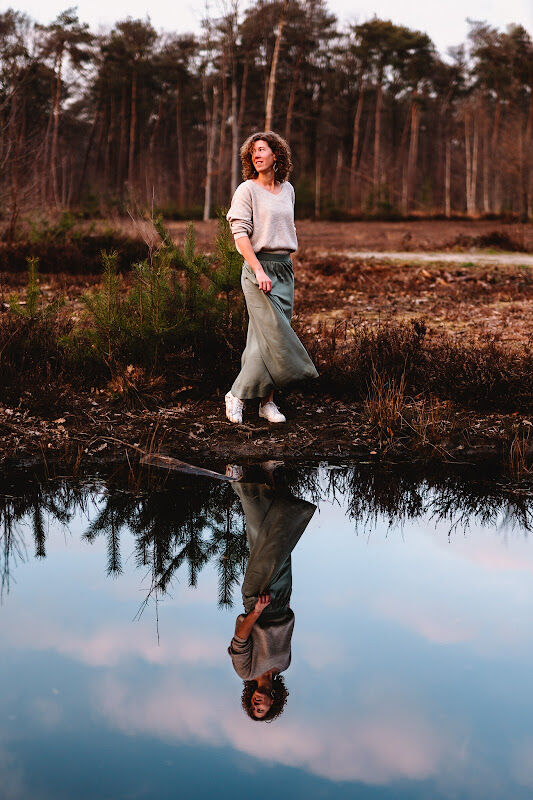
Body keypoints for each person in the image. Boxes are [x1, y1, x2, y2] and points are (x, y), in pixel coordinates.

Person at [224, 131, 318, 425]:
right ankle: (237, 395)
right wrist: (259, 270)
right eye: (253, 152)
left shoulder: (287, 189)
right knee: (273, 335)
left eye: (262, 150)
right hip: (257, 269)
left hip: (283, 269)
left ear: (277, 155)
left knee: (264, 339)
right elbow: (240, 234)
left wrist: (283, 267)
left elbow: (284, 230)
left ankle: (267, 404)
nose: (257, 155)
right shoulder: (246, 190)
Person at [227, 470, 316, 721]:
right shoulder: (283, 665)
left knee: (272, 542)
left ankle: (242, 482)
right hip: (281, 601)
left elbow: (240, 641)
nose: (258, 705)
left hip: (259, 601)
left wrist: (256, 611)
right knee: (272, 545)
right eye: (262, 708)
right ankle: (264, 476)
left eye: (254, 708)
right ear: (272, 701)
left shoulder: (246, 672)